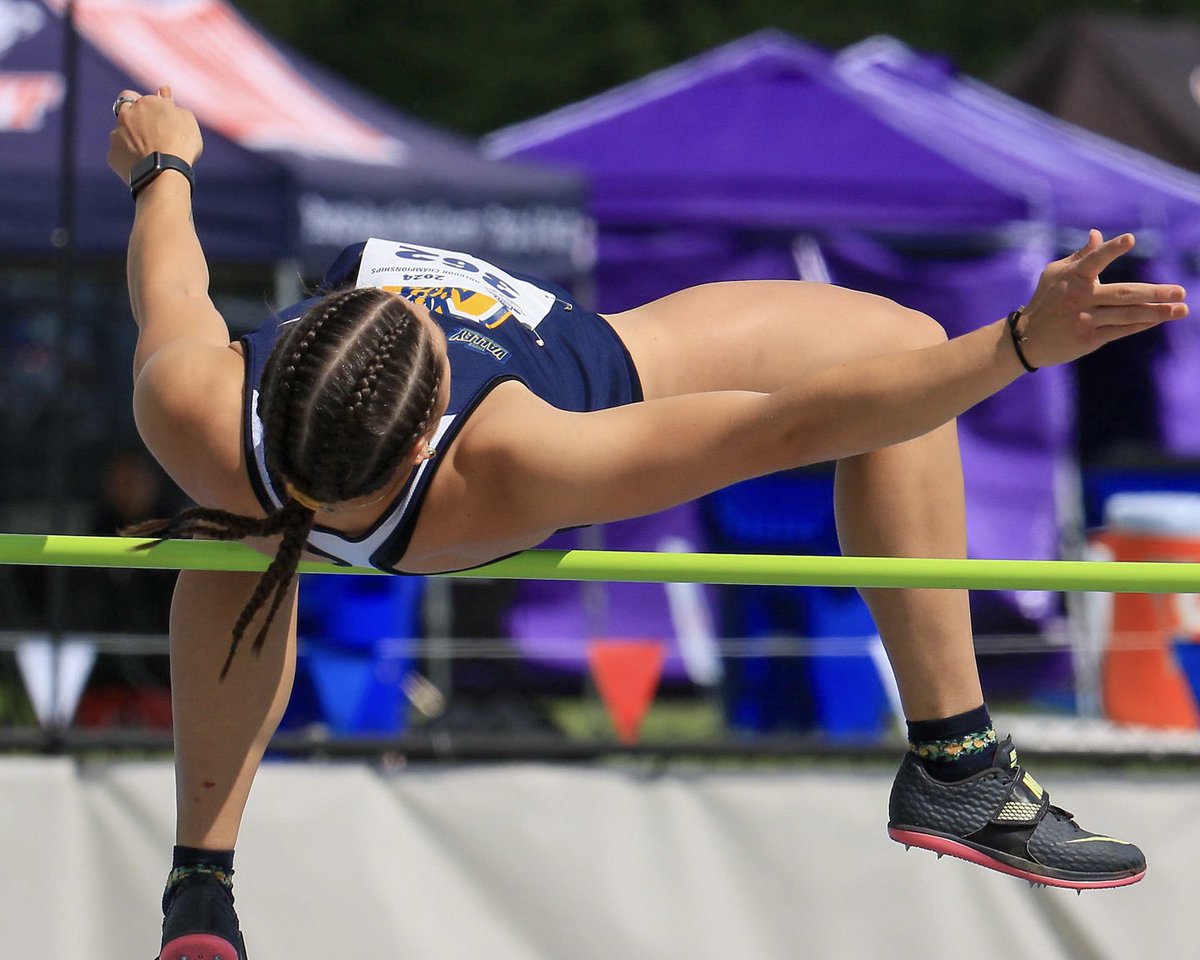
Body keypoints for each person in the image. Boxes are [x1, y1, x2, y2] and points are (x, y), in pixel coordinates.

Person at [108, 87, 1187, 960]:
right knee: (902, 360)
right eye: (411, 323)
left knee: (238, 534)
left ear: (279, 362)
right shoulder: (523, 458)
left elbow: (172, 261)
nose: (406, 301)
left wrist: (164, 161)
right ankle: (960, 763)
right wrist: (1017, 343)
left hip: (297, 482)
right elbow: (801, 425)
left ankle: (202, 882)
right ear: (434, 411)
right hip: (610, 364)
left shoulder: (196, 406)